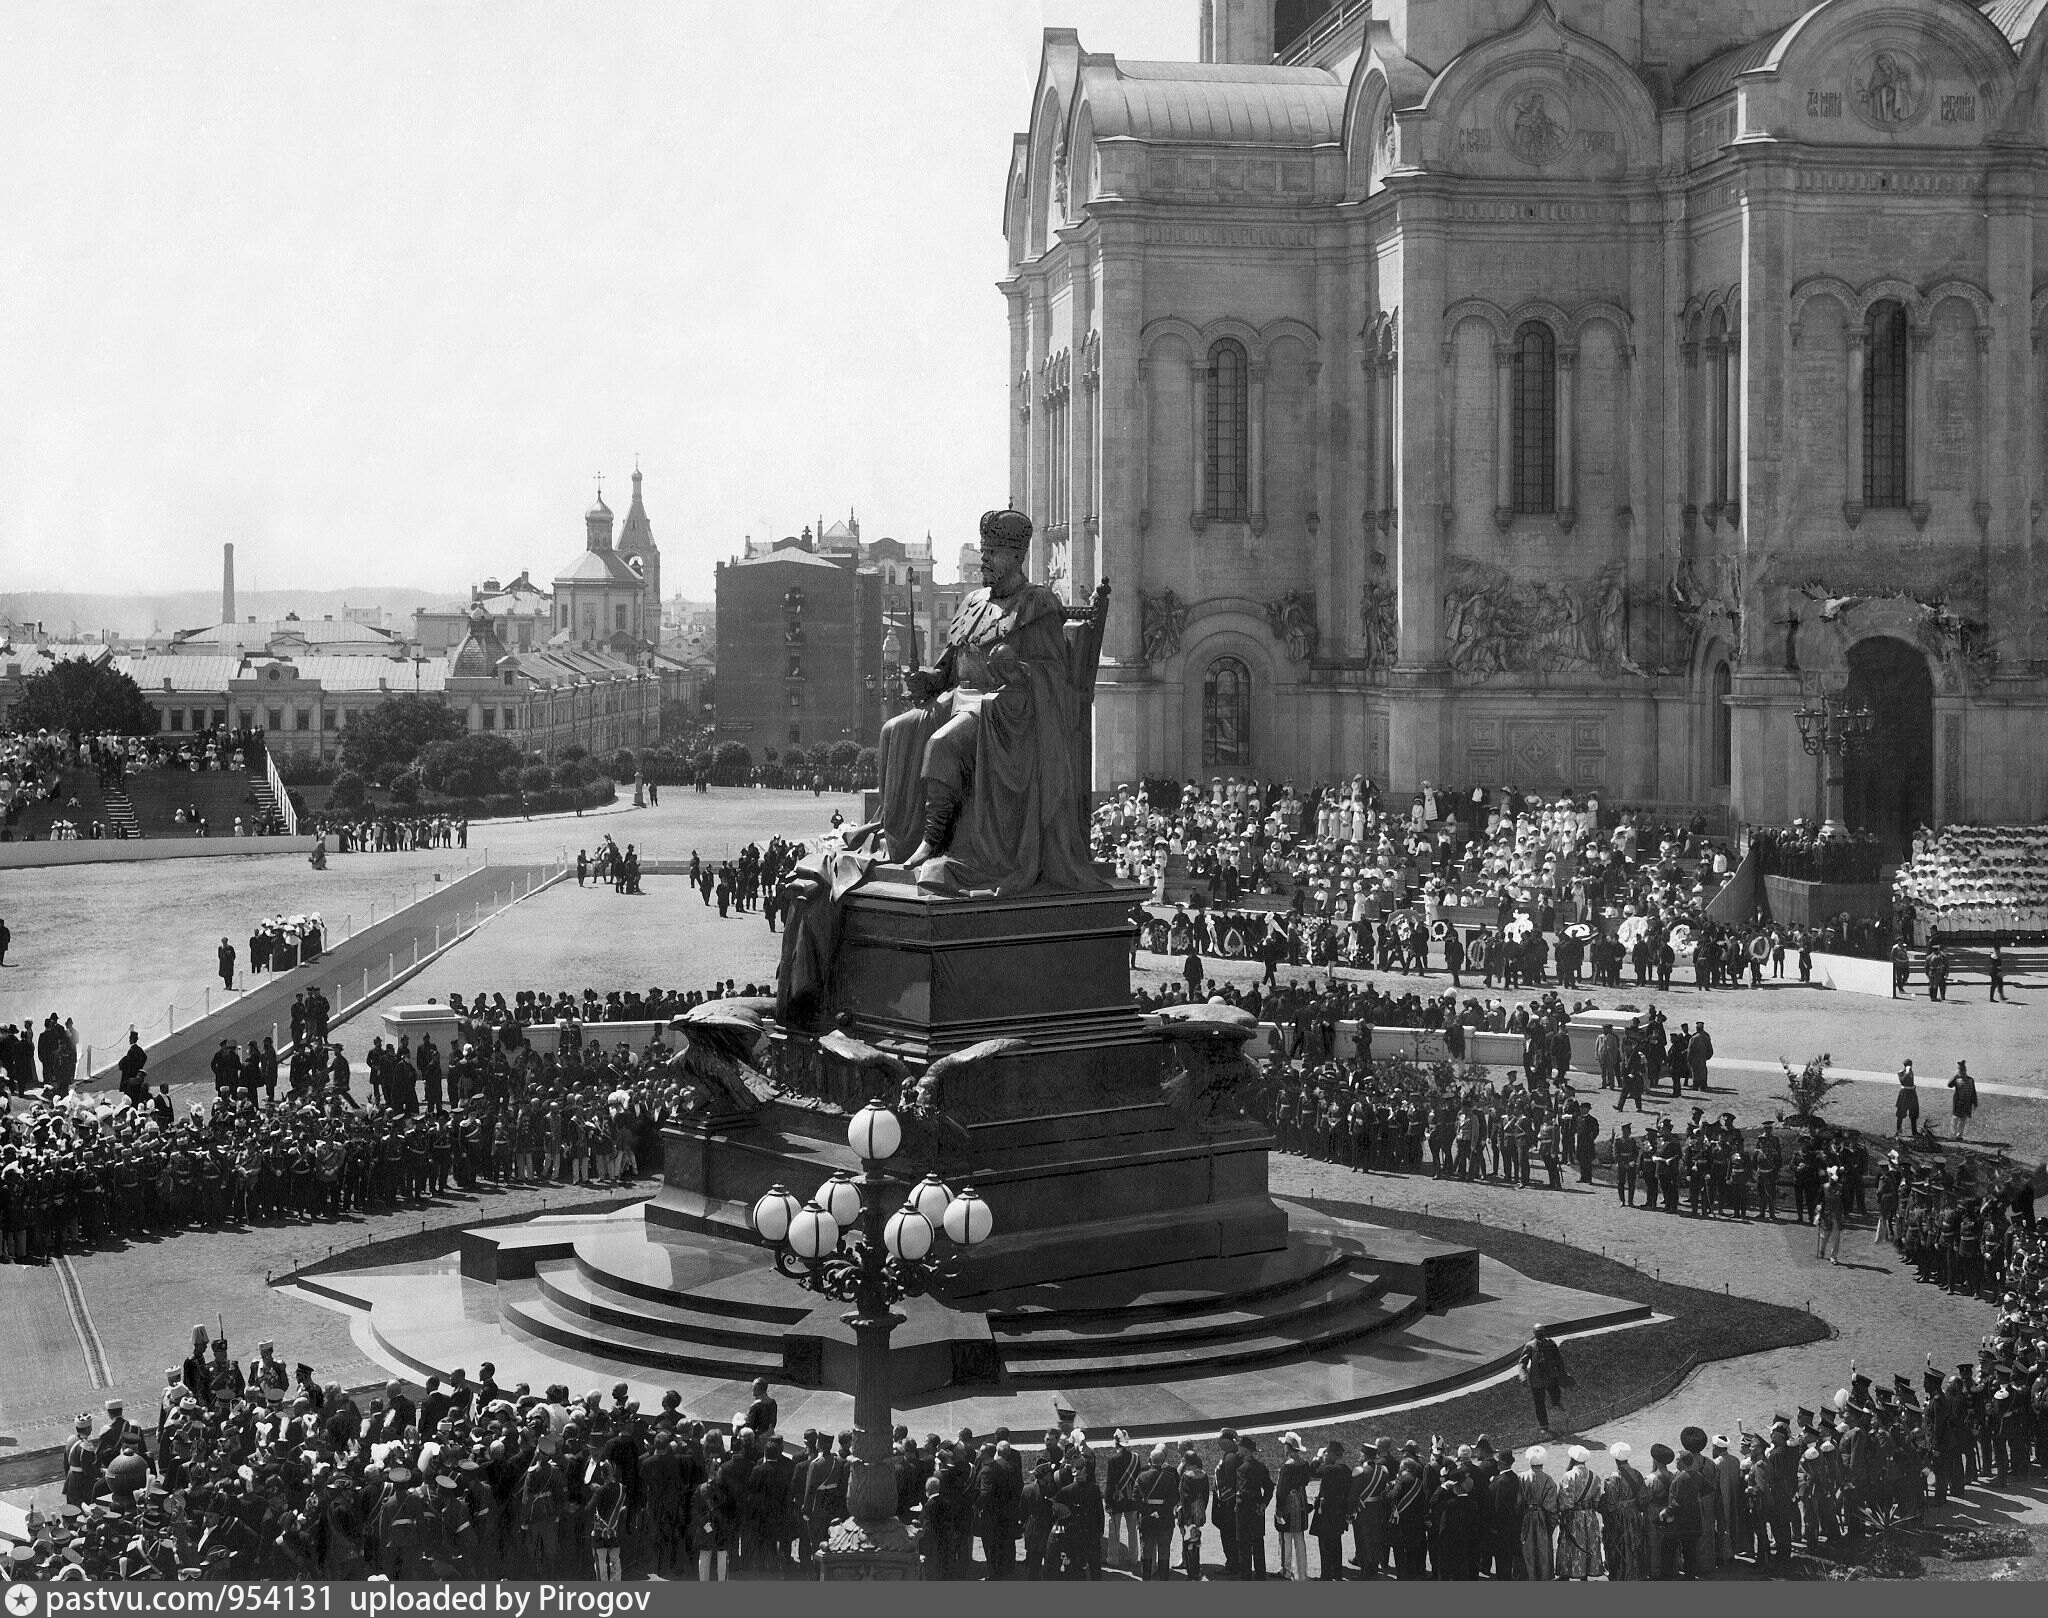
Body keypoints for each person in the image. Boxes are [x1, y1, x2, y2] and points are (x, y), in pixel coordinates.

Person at [1519, 1323, 1571, 1431]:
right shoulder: (1530, 1346)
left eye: (1541, 1332)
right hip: (1536, 1379)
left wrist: (1563, 1373)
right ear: (1534, 1333)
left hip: (1550, 1376)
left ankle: (1556, 1402)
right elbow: (1522, 1363)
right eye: (1537, 1333)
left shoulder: (1550, 1343)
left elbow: (1558, 1359)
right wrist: (1523, 1377)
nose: (1540, 1334)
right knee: (1539, 1403)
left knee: (1556, 1392)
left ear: (1544, 1332)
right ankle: (1544, 1426)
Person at [1948, 1061, 1978, 1138]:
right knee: (1955, 1119)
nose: (1963, 1073)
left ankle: (1959, 1135)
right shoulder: (1957, 1080)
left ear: (1965, 1071)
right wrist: (1954, 1076)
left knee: (1963, 1119)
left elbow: (1973, 1092)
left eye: (1963, 1071)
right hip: (1958, 1103)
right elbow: (1949, 1085)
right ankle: (1952, 1135)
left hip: (1967, 1102)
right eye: (1961, 1071)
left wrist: (1975, 1103)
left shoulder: (1971, 1080)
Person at [1895, 1059, 1919, 1137]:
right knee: (1901, 1113)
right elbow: (1903, 1080)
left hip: (1911, 1093)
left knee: (1913, 1113)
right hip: (1904, 1094)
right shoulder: (1901, 1072)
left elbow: (1911, 1082)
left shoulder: (1911, 1072)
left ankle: (1914, 1132)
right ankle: (1898, 1130)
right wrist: (1907, 1072)